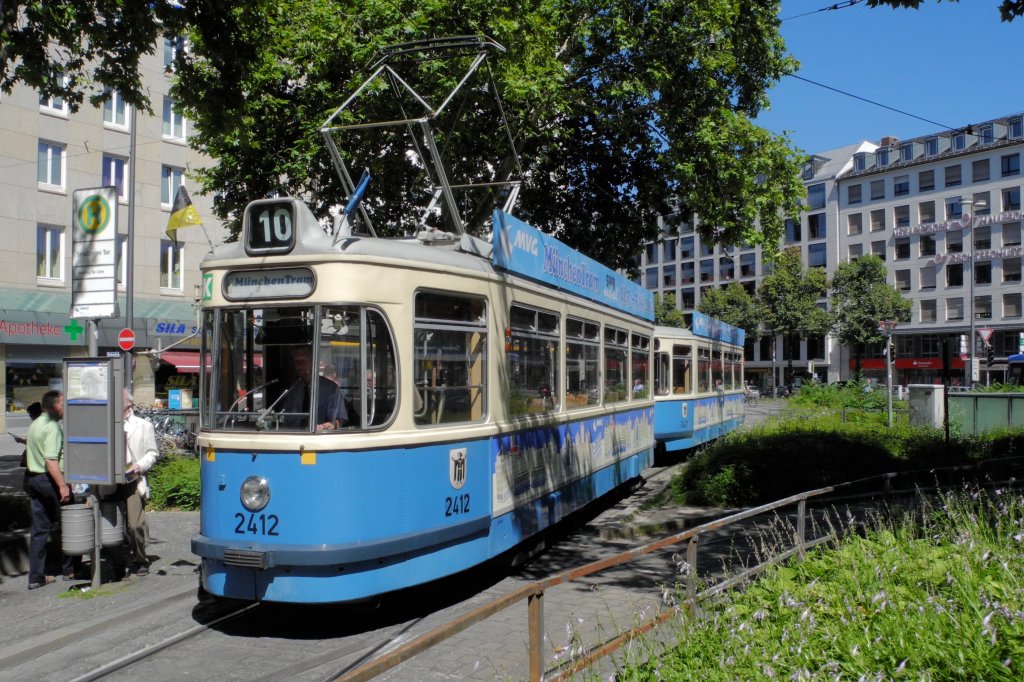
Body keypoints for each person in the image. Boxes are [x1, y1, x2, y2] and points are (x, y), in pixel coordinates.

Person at [24, 390, 81, 590]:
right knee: (70, 524)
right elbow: (51, 460)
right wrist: (63, 486)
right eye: (63, 404)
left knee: (39, 531)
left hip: (34, 480)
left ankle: (35, 577)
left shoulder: (35, 424)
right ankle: (70, 570)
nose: (65, 409)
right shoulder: (52, 427)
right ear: (53, 405)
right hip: (49, 480)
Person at [121, 389, 159, 576]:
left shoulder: (144, 425)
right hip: (110, 481)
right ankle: (118, 561)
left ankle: (140, 558)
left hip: (133, 479)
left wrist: (139, 466)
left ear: (128, 403)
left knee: (135, 524)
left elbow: (152, 453)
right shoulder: (107, 423)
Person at [280, 347, 346, 430]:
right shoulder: (293, 390)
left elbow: (338, 420)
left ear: (313, 362)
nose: (300, 365)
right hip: (294, 437)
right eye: (297, 362)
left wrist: (323, 427)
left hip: (319, 438)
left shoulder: (331, 389)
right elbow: (286, 422)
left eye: (303, 361)